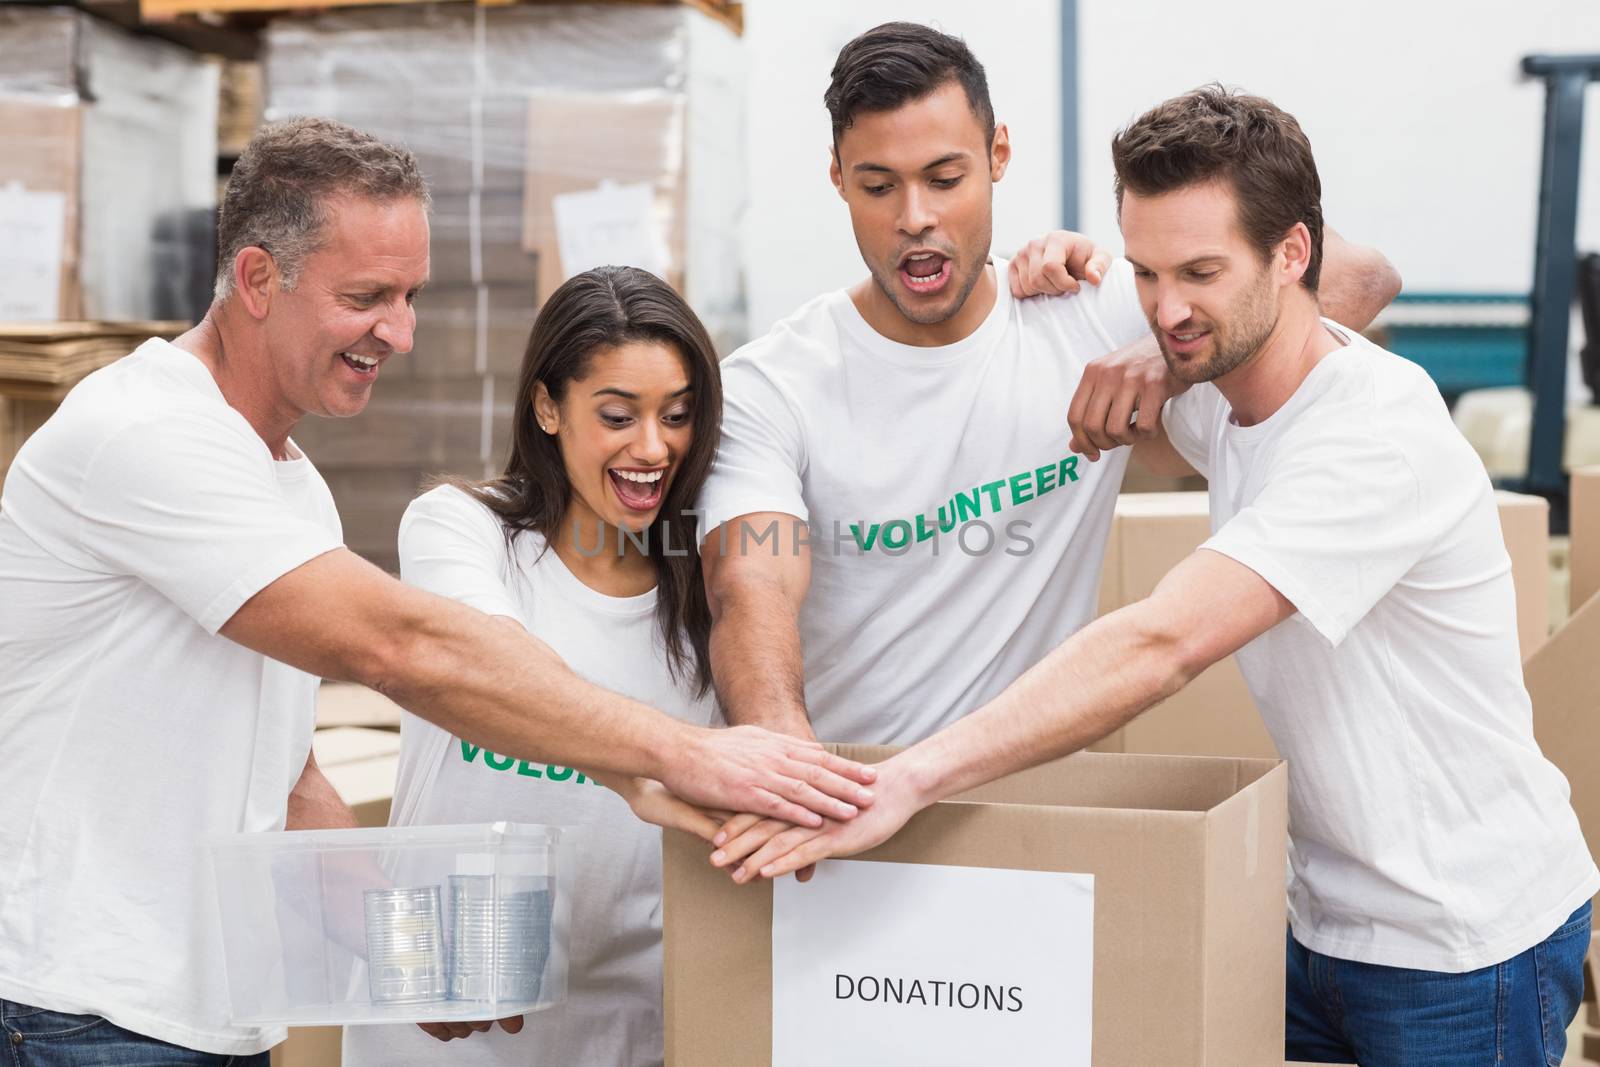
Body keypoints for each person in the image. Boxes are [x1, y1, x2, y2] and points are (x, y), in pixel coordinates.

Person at [713, 86, 1599, 1067]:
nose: (1168, 308)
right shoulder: (1221, 390)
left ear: (1293, 254)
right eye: (1144, 271)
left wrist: (907, 775)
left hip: (1461, 946)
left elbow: (1161, 640)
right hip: (1324, 919)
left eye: (1201, 272)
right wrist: (1079, 287)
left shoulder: (1373, 434)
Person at [0, 118, 874, 1066]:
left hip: (197, 1020)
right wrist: (670, 756)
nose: (402, 332)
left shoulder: (289, 484)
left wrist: (401, 954)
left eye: (410, 296)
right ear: (256, 280)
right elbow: (404, 648)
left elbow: (286, 775)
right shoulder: (145, 432)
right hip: (78, 1010)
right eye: (367, 296)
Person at [697, 23, 1396, 793]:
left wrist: (1162, 361)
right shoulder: (771, 387)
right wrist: (783, 759)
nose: (915, 216)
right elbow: (748, 584)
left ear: (999, 154)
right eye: (878, 185)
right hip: (839, 808)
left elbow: (1362, 279)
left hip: (1031, 830)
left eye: (944, 176)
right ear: (836, 177)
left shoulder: (1088, 313)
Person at [344, 265, 724, 1065]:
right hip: (438, 1031)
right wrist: (642, 757)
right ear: (548, 406)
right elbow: (489, 666)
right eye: (618, 415)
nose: (653, 448)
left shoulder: (706, 596)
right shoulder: (460, 530)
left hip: (629, 1035)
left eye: (678, 415)